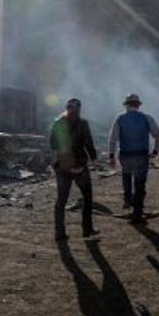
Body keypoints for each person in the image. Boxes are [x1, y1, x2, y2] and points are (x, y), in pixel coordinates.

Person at [107, 93, 159, 224]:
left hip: (125, 154)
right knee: (139, 184)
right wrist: (155, 151)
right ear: (138, 105)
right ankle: (137, 213)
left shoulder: (120, 118)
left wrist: (111, 156)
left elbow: (112, 139)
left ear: (126, 105)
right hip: (141, 155)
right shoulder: (147, 118)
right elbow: (158, 135)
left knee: (126, 177)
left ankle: (128, 198)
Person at [50, 98, 100, 241]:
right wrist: (94, 159)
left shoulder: (58, 122)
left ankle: (59, 233)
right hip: (79, 165)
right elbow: (89, 143)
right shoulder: (83, 123)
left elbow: (52, 144)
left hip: (62, 166)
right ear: (79, 109)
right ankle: (87, 230)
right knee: (87, 198)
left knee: (61, 200)